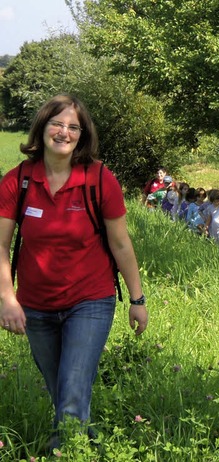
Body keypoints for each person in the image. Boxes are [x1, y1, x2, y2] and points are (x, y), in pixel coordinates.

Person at [0, 95, 148, 450]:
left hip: (90, 301)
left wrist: (137, 299)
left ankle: (63, 454)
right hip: (35, 306)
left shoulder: (99, 179)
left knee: (71, 394)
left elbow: (122, 245)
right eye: (57, 123)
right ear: (42, 127)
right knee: (64, 393)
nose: (63, 132)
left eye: (73, 127)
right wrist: (6, 297)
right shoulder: (17, 181)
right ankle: (91, 445)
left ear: (82, 135)